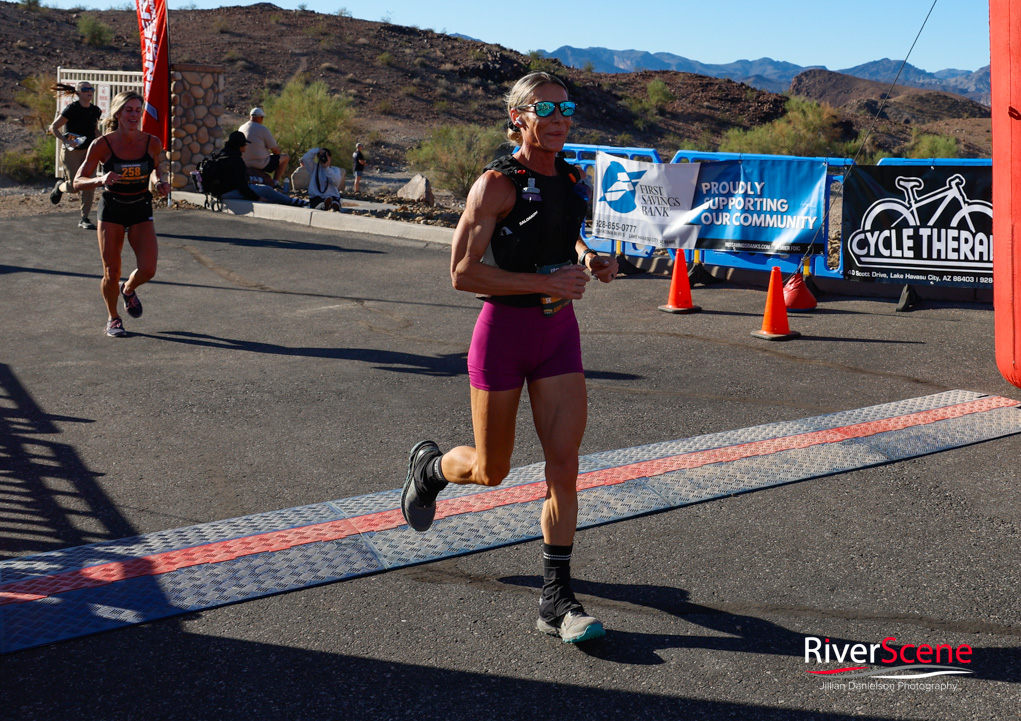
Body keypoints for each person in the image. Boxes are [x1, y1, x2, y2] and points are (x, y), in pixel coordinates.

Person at [401, 72, 618, 644]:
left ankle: (556, 598)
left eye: (565, 106)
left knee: (564, 469)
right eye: (544, 107)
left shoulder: (574, 177)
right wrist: (541, 278)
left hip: (558, 336)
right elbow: (462, 274)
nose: (558, 116)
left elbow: (564, 234)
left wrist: (590, 257)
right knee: (491, 471)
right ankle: (430, 469)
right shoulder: (496, 185)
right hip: (502, 334)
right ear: (518, 116)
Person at [73, 91, 170, 338]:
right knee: (111, 271)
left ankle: (127, 289)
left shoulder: (152, 142)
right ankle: (113, 318)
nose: (134, 115)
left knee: (148, 270)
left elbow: (157, 168)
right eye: (129, 110)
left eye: (138, 110)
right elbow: (77, 181)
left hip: (140, 207)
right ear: (117, 112)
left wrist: (159, 182)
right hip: (112, 209)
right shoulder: (102, 144)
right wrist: (100, 179)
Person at [49, 81, 103, 229]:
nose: (89, 91)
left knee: (89, 184)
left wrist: (102, 141)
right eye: (85, 89)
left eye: (91, 89)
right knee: (74, 187)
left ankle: (84, 218)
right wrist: (65, 140)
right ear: (78, 93)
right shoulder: (71, 109)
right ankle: (60, 186)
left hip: (89, 152)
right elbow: (53, 127)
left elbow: (94, 130)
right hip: (71, 152)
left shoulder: (95, 111)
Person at [217, 131, 308, 207]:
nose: (245, 146)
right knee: (266, 189)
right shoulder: (236, 160)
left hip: (220, 191)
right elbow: (242, 186)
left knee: (259, 188)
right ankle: (295, 202)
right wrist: (257, 198)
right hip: (229, 192)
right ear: (239, 146)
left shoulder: (221, 155)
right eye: (244, 144)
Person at [238, 107, 289, 186]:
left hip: (244, 163)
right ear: (261, 118)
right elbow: (275, 150)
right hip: (261, 163)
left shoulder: (241, 127)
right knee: (285, 157)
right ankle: (275, 182)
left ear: (250, 117)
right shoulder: (262, 129)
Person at [300, 146, 343, 211]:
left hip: (332, 197)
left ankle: (332, 205)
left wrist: (326, 168)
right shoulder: (314, 168)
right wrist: (318, 150)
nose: (323, 158)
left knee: (333, 201)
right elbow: (305, 158)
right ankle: (326, 206)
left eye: (325, 156)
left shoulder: (335, 170)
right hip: (317, 197)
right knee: (320, 204)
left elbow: (336, 182)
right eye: (321, 156)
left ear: (330, 158)